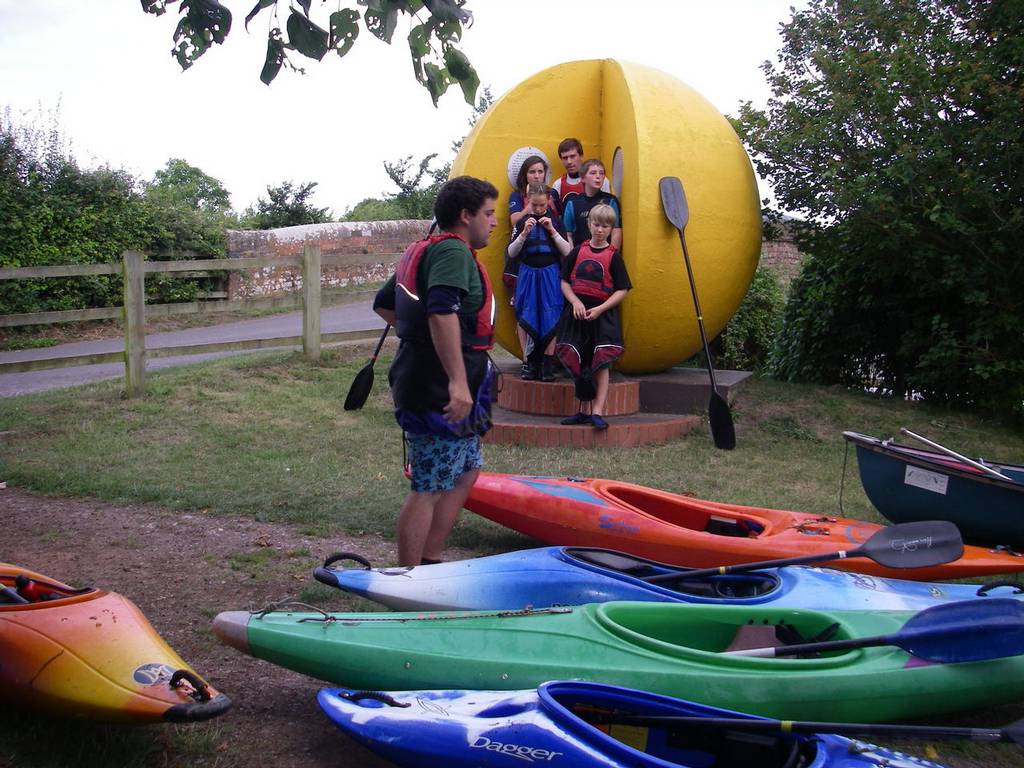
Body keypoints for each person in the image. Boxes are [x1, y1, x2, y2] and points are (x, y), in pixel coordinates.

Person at [372, 176, 499, 566]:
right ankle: (409, 576)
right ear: (465, 216)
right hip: (437, 389)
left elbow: (386, 306)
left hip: (438, 378)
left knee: (465, 471)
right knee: (429, 484)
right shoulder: (452, 254)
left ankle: (430, 560)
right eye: (489, 213)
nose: (494, 222)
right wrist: (456, 381)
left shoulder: (428, 249)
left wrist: (419, 338)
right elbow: (441, 311)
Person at [556, 203, 631, 431]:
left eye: (605, 226)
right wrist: (575, 302)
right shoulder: (577, 251)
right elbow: (565, 281)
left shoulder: (614, 257)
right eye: (596, 225)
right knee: (580, 361)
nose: (600, 230)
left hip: (602, 315)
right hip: (577, 314)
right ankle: (583, 411)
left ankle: (597, 411)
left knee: (602, 364)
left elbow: (622, 289)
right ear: (589, 225)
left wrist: (600, 309)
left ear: (611, 229)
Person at [506, 183, 572, 381]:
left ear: (548, 202)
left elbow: (567, 251)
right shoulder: (521, 223)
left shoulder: (556, 221)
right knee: (527, 314)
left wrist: (552, 230)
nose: (538, 209)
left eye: (542, 205)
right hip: (527, 273)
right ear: (528, 201)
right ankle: (529, 363)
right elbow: (511, 252)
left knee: (551, 314)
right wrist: (524, 233)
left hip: (550, 274)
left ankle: (547, 364)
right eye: (534, 205)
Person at [562, 159, 622, 251]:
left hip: (604, 254)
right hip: (580, 254)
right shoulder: (573, 202)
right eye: (593, 173)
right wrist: (572, 256)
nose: (598, 176)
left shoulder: (610, 201)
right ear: (582, 178)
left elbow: (616, 231)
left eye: (601, 173)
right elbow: (568, 234)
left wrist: (610, 256)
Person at [551, 138, 609, 208]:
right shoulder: (558, 185)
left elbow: (607, 211)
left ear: (581, 156)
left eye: (572, 156)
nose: (569, 161)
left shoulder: (599, 179)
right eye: (565, 158)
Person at [508, 154, 560, 229]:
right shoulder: (517, 195)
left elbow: (561, 220)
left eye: (540, 172)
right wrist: (532, 203)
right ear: (525, 174)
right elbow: (514, 222)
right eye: (532, 172)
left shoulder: (552, 193)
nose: (536, 176)